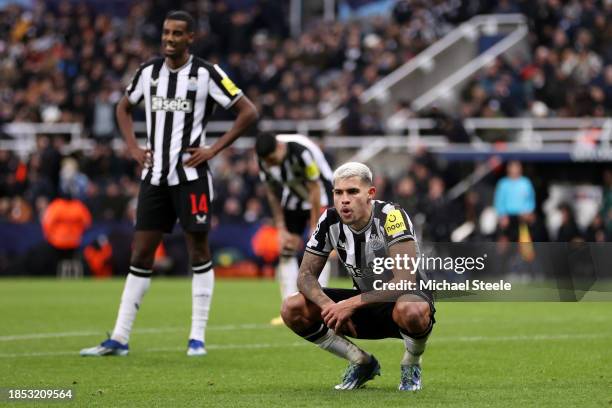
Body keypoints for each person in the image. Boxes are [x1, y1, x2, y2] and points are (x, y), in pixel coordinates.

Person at [80, 10, 258, 357]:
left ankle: (197, 338)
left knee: (199, 252)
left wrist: (213, 150)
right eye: (166, 33)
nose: (169, 39)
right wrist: (133, 147)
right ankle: (119, 338)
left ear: (190, 37)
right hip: (154, 178)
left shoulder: (205, 74)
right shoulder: (147, 72)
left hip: (191, 178)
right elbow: (123, 107)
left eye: (177, 34)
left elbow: (248, 111)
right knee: (141, 252)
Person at [280, 162, 435, 391]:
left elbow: (404, 280)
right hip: (364, 303)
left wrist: (348, 305)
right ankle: (361, 361)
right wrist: (329, 307)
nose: (344, 199)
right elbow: (305, 277)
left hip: (404, 301)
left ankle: (411, 363)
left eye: (352, 191)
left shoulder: (392, 217)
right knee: (292, 307)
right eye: (338, 192)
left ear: (370, 193)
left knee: (410, 308)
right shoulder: (329, 220)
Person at [255, 133, 333, 325]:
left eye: (273, 160)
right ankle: (289, 306)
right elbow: (272, 193)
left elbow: (315, 187)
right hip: (294, 196)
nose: (271, 164)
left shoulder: (301, 152)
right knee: (286, 248)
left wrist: (315, 225)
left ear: (280, 148)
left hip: (321, 196)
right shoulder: (263, 159)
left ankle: (319, 306)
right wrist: (280, 226)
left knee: (319, 249)